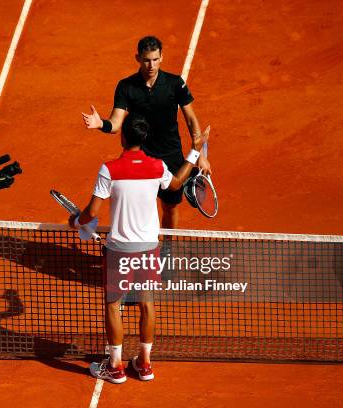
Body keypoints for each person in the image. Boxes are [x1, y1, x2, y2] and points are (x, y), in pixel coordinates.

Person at [70, 114, 207, 383]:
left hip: (119, 249)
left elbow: (92, 212)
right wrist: (195, 150)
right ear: (145, 138)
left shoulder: (109, 169)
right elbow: (176, 183)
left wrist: (76, 221)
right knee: (146, 304)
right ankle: (144, 364)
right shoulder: (157, 166)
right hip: (148, 248)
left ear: (123, 137)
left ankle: (115, 366)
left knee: (113, 306)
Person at [82, 35, 211, 230]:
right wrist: (102, 124)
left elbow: (191, 119)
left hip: (171, 154)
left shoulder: (175, 84)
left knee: (170, 208)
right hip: (142, 155)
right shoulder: (126, 87)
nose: (151, 65)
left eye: (155, 59)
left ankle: (167, 248)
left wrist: (200, 155)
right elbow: (116, 123)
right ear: (138, 58)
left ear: (161, 58)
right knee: (139, 204)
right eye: (146, 60)